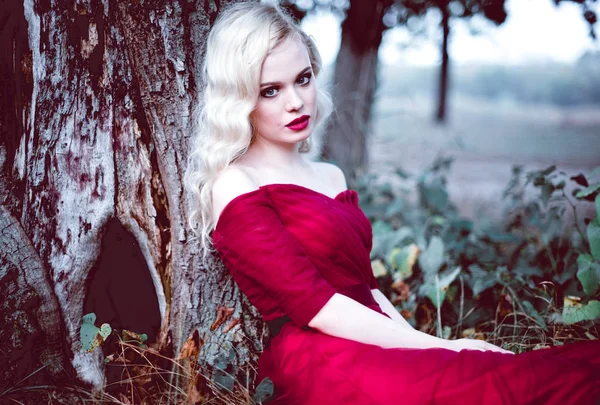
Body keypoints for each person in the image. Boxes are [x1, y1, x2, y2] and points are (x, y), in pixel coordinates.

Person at [185, 2, 600, 404]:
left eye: (304, 78)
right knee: (507, 389)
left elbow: (366, 290)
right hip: (323, 358)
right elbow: (317, 309)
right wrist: (445, 348)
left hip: (377, 338)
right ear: (240, 99)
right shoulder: (237, 183)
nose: (295, 101)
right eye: (270, 90)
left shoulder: (330, 175)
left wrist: (434, 348)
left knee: (553, 374)